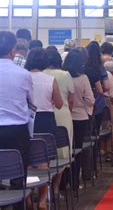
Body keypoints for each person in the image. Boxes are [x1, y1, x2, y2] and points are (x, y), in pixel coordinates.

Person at [25, 47, 63, 209]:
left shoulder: (24, 77)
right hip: (46, 120)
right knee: (43, 163)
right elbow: (60, 104)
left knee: (27, 162)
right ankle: (42, 200)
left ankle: (27, 197)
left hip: (28, 120)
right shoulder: (50, 80)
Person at [0, 31, 33, 209]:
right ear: (13, 50)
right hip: (17, 130)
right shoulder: (23, 74)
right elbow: (31, 101)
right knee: (19, 175)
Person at [43, 48, 75, 199]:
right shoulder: (65, 74)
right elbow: (70, 99)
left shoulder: (40, 74)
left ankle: (42, 189)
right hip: (63, 113)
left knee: (43, 152)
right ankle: (55, 189)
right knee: (63, 152)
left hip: (44, 114)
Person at [63, 49, 95, 190]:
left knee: (66, 151)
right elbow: (90, 99)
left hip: (65, 118)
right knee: (78, 149)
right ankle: (75, 181)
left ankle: (63, 182)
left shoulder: (63, 77)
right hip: (81, 117)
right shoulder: (83, 78)